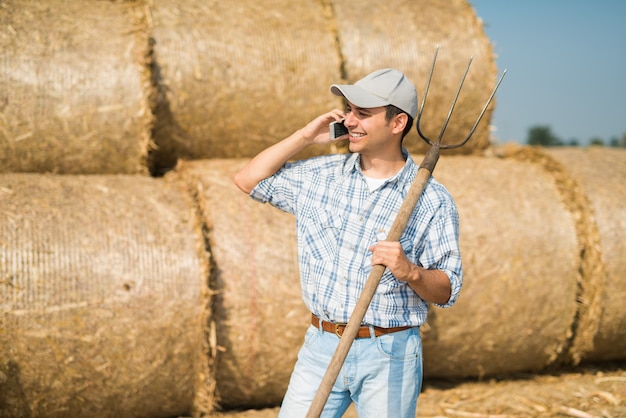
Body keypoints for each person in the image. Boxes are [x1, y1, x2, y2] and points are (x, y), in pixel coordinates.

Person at [233, 68, 463, 417]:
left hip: (390, 351)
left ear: (398, 123)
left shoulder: (431, 200)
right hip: (321, 346)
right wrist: (305, 136)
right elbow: (248, 179)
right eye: (349, 111)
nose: (349, 121)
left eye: (363, 114)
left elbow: (447, 290)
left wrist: (410, 272)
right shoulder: (320, 176)